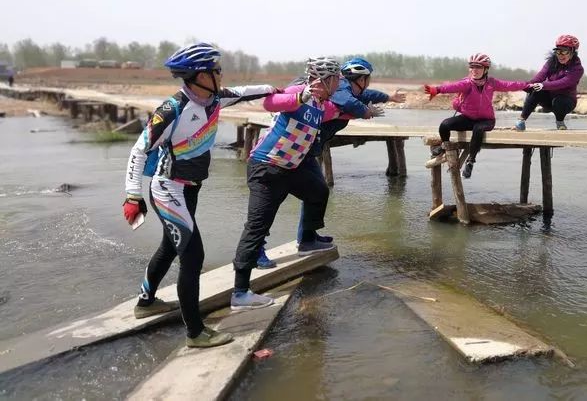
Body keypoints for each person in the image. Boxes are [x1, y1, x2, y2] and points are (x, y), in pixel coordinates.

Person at [123, 42, 276, 348]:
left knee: (170, 247)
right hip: (168, 188)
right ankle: (195, 332)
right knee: (193, 257)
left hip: (189, 190)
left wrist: (274, 89)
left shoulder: (215, 99)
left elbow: (246, 91)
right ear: (198, 76)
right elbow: (139, 150)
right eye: (215, 70)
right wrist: (132, 196)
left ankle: (146, 302)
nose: (221, 74)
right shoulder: (172, 110)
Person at [231, 57, 341, 311]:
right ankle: (240, 292)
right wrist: (299, 97)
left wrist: (366, 109)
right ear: (326, 79)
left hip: (290, 169)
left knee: (318, 191)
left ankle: (308, 241)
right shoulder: (299, 93)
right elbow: (269, 102)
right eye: (337, 79)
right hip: (266, 168)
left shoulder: (322, 105)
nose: (339, 83)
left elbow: (339, 111)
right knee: (257, 227)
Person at [292, 57, 406, 245]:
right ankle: (304, 239)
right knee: (307, 193)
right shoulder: (342, 88)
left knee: (317, 192)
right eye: (367, 79)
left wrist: (389, 98)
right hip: (299, 148)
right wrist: (365, 112)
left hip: (309, 148)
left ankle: (307, 236)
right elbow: (348, 102)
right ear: (361, 80)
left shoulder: (351, 89)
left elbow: (368, 95)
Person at [423, 53, 529, 178]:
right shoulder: (467, 83)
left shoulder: (492, 83)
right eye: (472, 67)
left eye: (478, 67)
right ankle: (445, 146)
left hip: (486, 120)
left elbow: (509, 85)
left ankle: (470, 161)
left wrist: (527, 85)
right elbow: (453, 86)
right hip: (468, 118)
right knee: (445, 125)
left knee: (478, 129)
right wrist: (437, 90)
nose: (474, 70)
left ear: (485, 69)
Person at [515, 34, 584, 131]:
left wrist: (543, 85)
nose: (561, 55)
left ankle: (560, 122)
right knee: (535, 90)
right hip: (549, 99)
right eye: (558, 52)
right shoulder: (551, 62)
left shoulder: (577, 69)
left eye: (564, 52)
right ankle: (521, 121)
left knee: (559, 101)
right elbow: (540, 76)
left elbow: (563, 83)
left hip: (566, 101)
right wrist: (526, 85)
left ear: (572, 52)